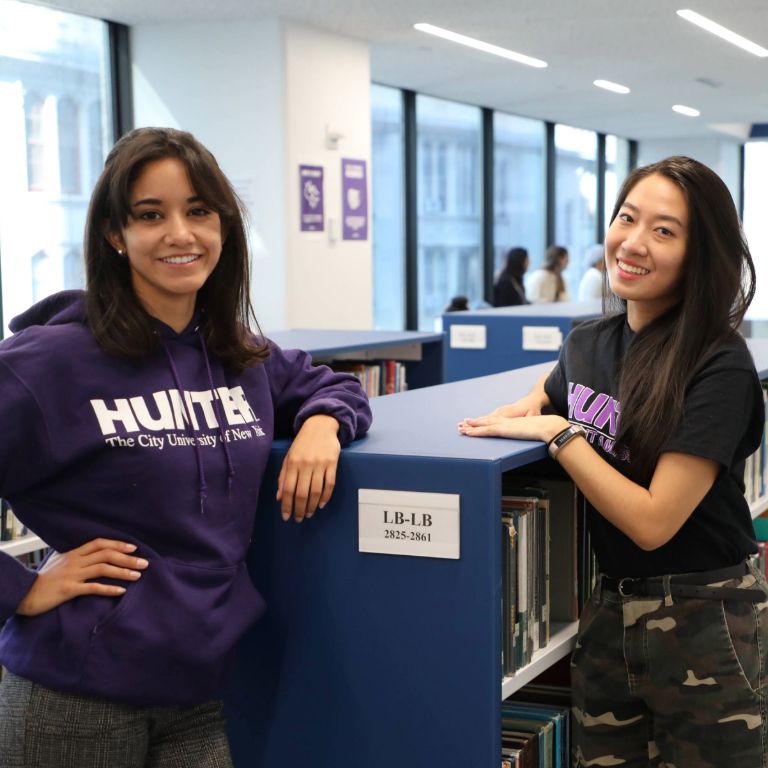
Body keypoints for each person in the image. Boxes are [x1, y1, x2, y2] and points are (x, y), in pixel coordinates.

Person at [0, 127, 372, 767]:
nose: (180, 234)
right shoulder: (48, 363)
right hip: (75, 697)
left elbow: (330, 384)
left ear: (224, 227)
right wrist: (19, 589)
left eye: (199, 211)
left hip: (200, 693)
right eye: (151, 215)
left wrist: (322, 425)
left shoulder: (237, 356)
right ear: (115, 234)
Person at [459, 156, 766, 767]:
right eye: (627, 217)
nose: (633, 242)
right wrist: (512, 418)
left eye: (664, 230)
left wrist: (561, 433)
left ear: (701, 253)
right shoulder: (586, 342)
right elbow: (542, 399)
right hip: (607, 611)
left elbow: (654, 522)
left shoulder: (719, 364)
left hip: (706, 617)